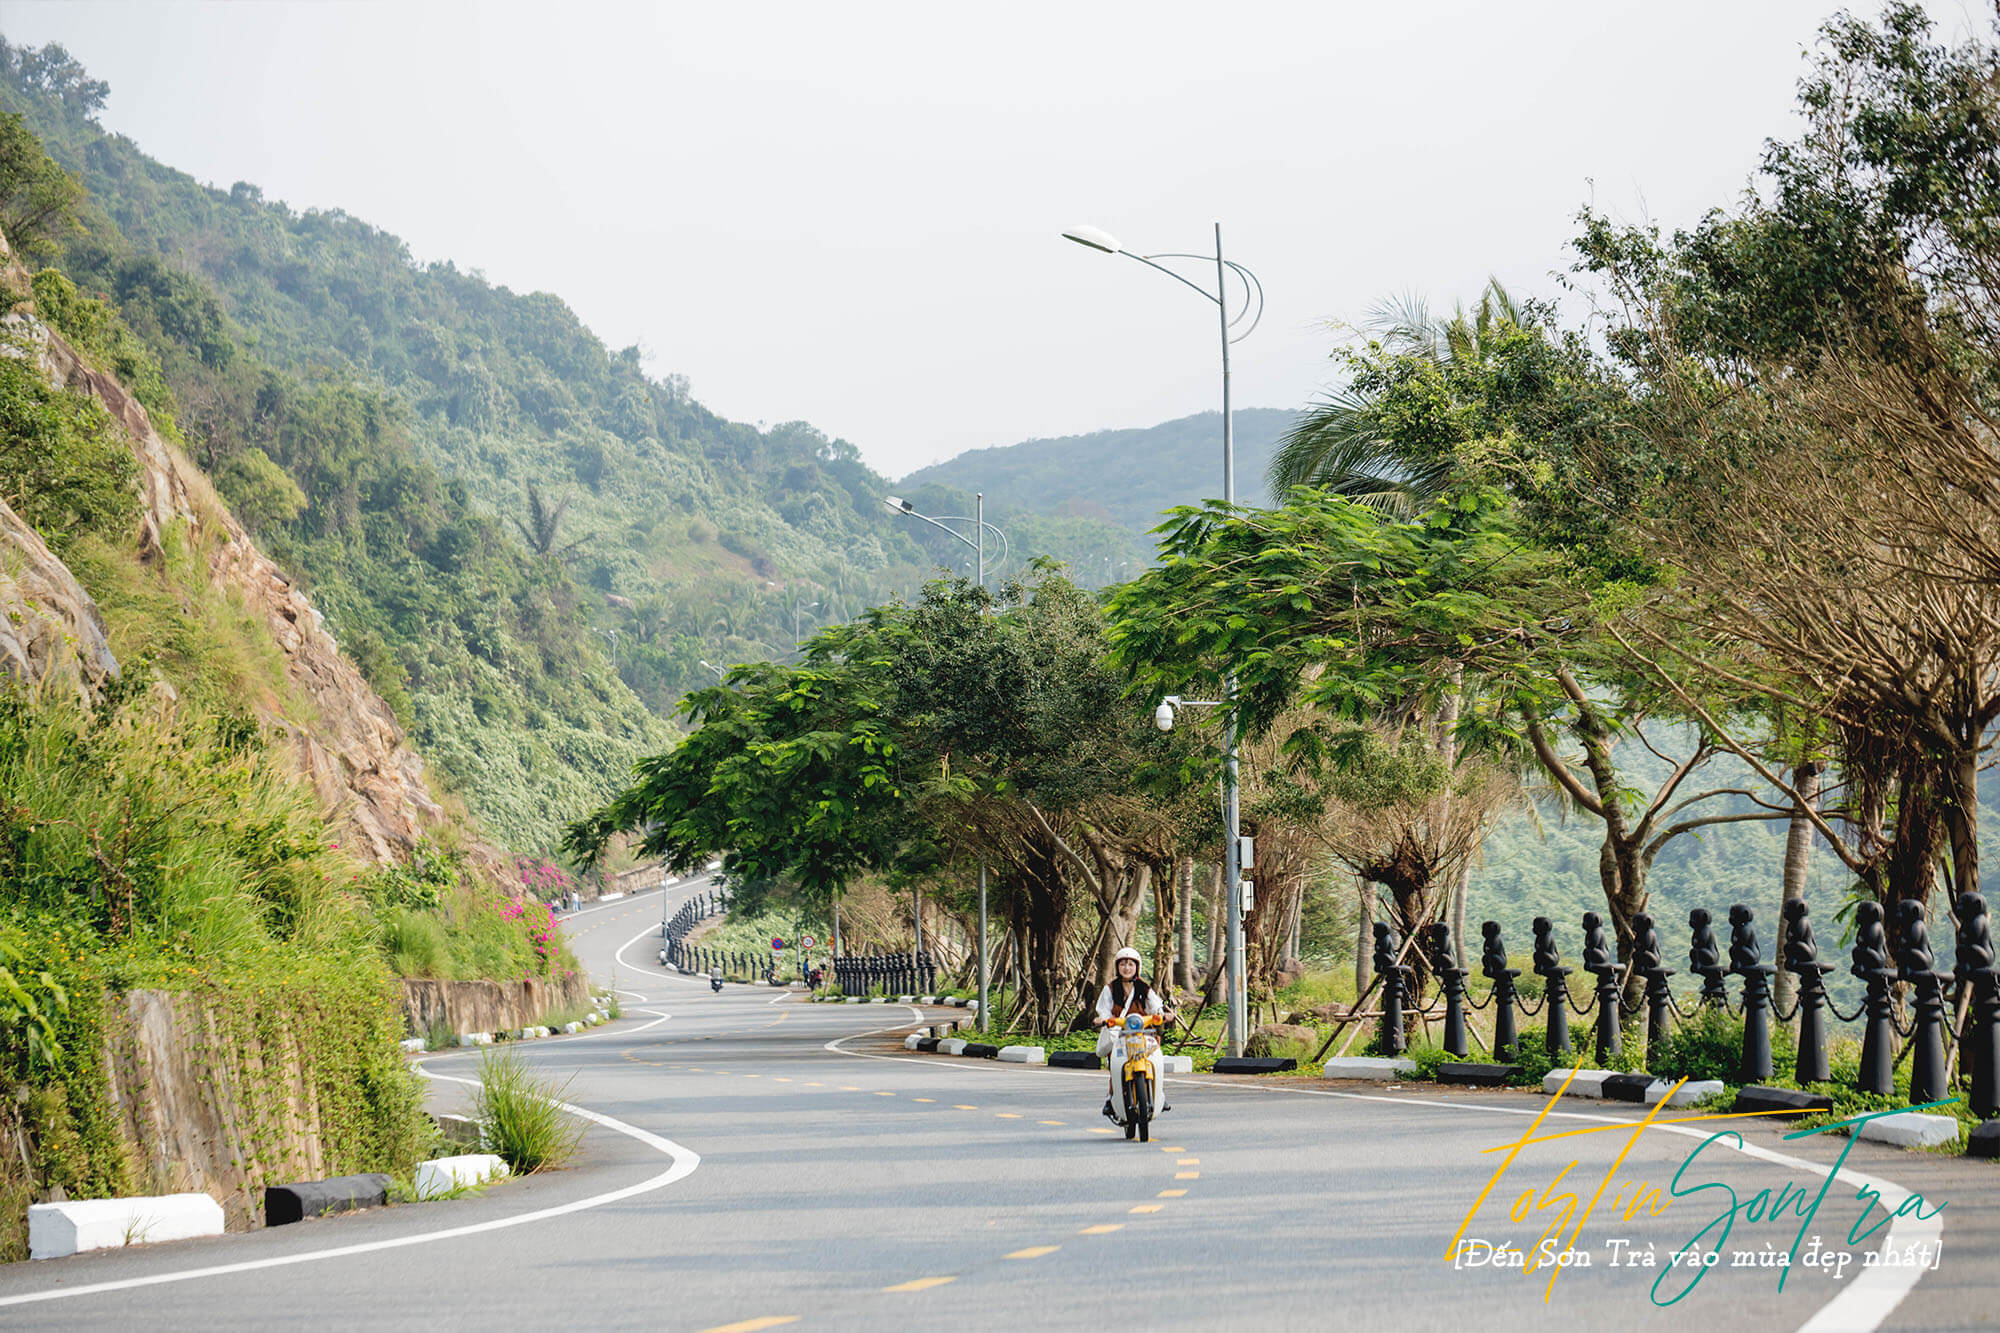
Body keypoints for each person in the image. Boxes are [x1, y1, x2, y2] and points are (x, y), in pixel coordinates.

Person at [1094, 947, 1174, 1119]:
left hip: (1143, 1033)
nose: (1127, 968)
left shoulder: (1143, 988)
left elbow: (1156, 1005)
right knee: (1115, 1065)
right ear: (1117, 967)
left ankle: (1159, 1095)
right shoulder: (1110, 988)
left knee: (1155, 1059)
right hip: (1119, 1034)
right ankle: (1110, 1098)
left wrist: (1163, 1014)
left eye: (1131, 964)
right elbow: (1103, 1009)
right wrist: (1103, 1019)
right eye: (1123, 964)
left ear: (1137, 967)